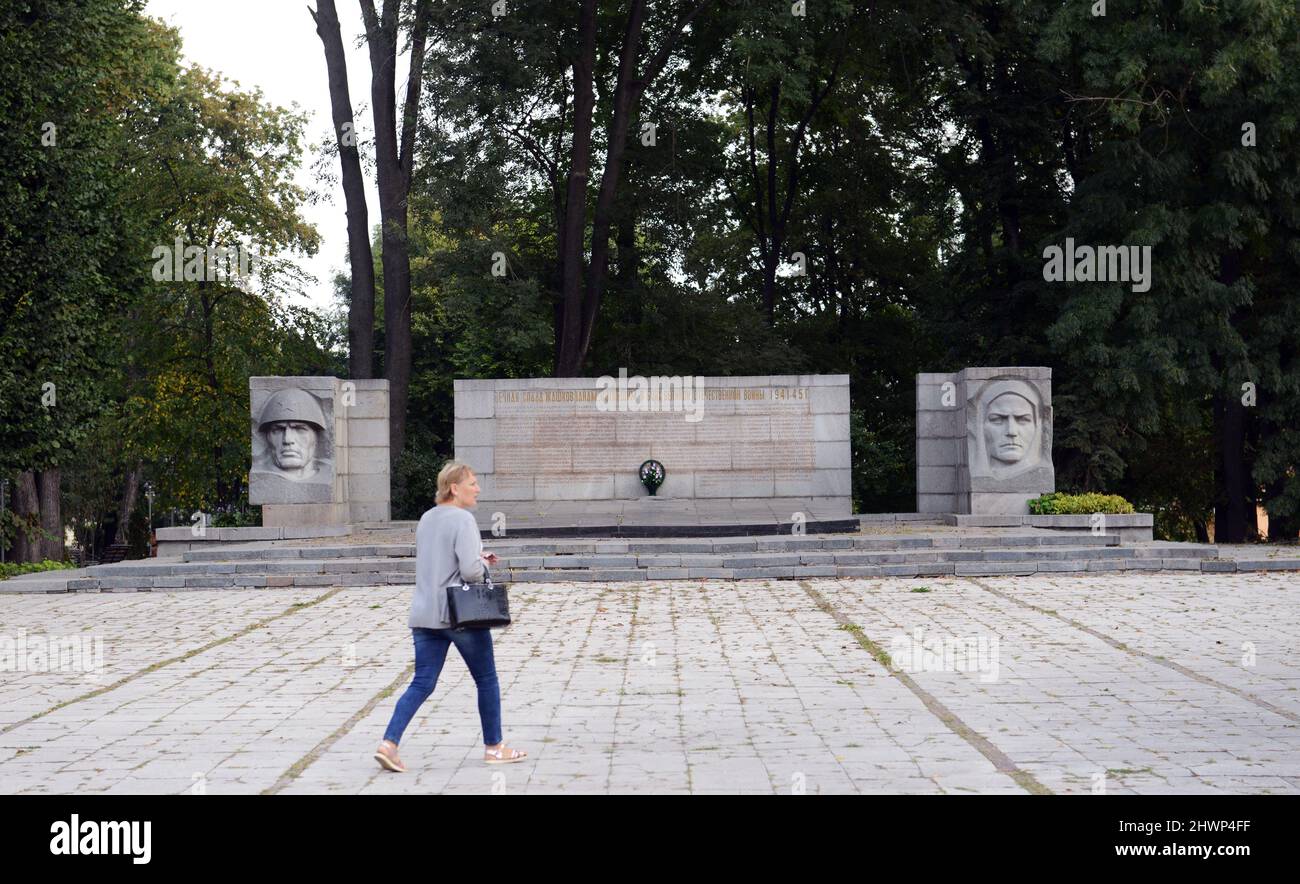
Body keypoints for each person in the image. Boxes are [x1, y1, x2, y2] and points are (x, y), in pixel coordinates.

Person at [374, 460, 527, 772]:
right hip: (459, 616)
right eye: (472, 483)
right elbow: (470, 572)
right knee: (486, 679)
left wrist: (474, 559)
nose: (477, 489)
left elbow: (441, 561)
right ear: (454, 488)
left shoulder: (427, 519)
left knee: (421, 683)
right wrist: (482, 564)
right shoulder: (463, 520)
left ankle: (389, 744)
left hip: (423, 615)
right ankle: (495, 747)